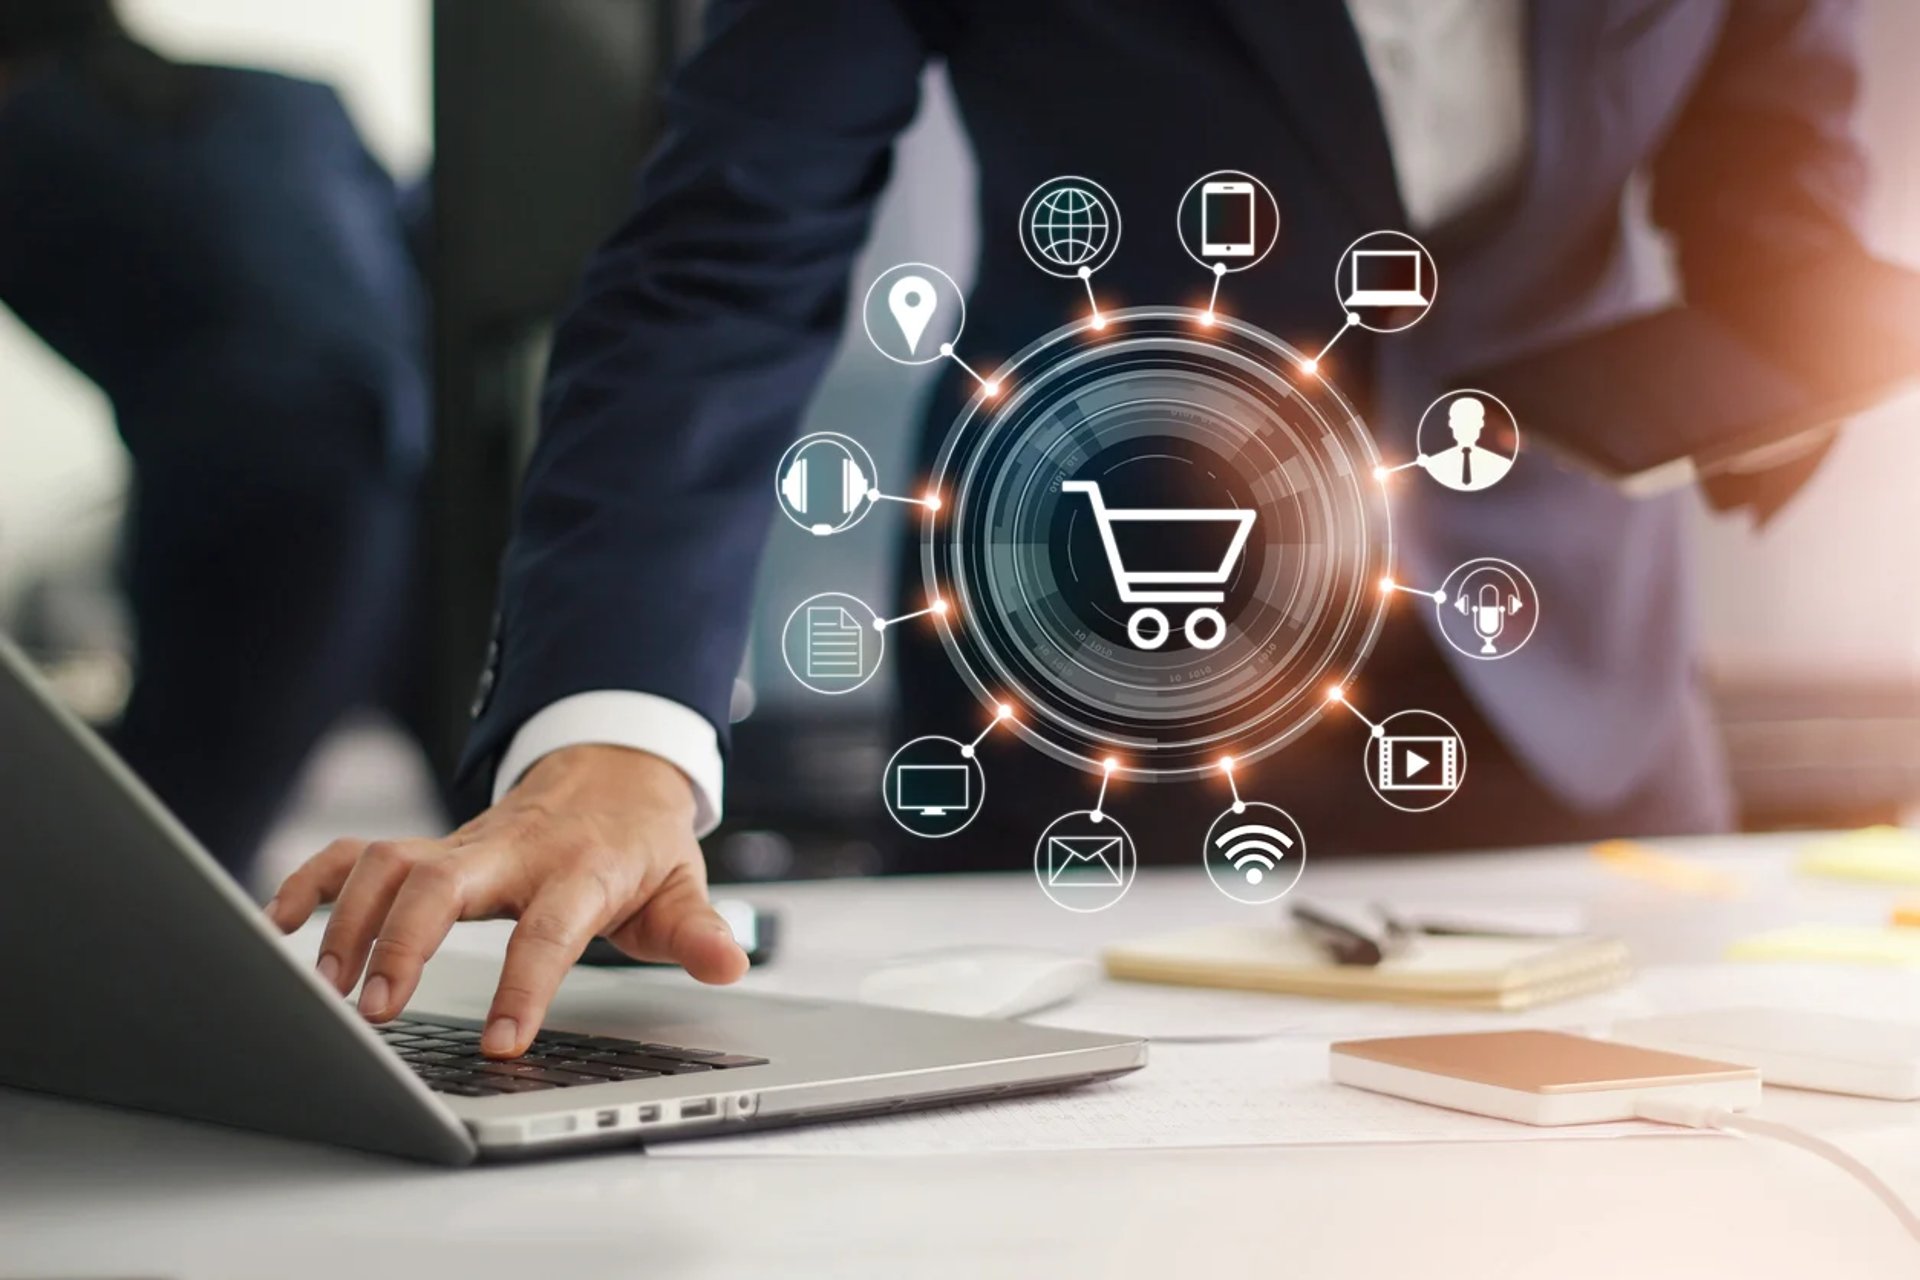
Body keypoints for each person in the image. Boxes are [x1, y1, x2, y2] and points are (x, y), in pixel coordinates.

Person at [267, 0, 1869, 1057]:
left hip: (1570, 673)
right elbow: (725, 258)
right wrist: (614, 735)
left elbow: (1773, 145)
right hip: (1097, 701)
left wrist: (1800, 329)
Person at [0, 2, 431, 876]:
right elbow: (412, 258)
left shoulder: (23, 136)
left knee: (170, 847)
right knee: (501, 797)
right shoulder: (294, 100)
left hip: (243, 493)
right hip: (416, 467)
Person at [1423, 396, 1513, 492]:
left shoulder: (1501, 464)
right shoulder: (1435, 463)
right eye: (1461, 421)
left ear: (1481, 423)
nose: (1466, 426)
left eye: (1471, 420)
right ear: (1451, 423)